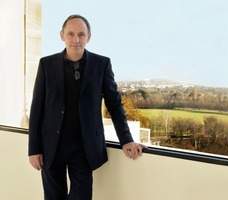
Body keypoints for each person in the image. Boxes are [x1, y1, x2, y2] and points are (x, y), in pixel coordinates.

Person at [28, 14, 146, 200]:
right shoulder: (46, 64)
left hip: (84, 148)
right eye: (71, 34)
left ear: (88, 37)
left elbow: (114, 104)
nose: (76, 39)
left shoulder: (102, 64)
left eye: (81, 34)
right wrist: (34, 148)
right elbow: (37, 109)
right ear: (62, 35)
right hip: (51, 147)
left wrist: (126, 140)